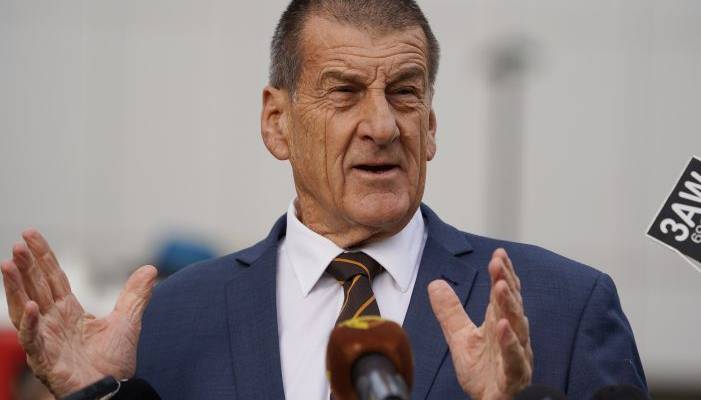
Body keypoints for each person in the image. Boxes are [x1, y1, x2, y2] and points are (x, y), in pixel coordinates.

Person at [1, 1, 646, 399]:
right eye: (344, 92)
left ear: (431, 125)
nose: (383, 126)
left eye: (405, 91)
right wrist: (96, 395)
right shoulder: (172, 322)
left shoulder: (563, 309)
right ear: (276, 122)